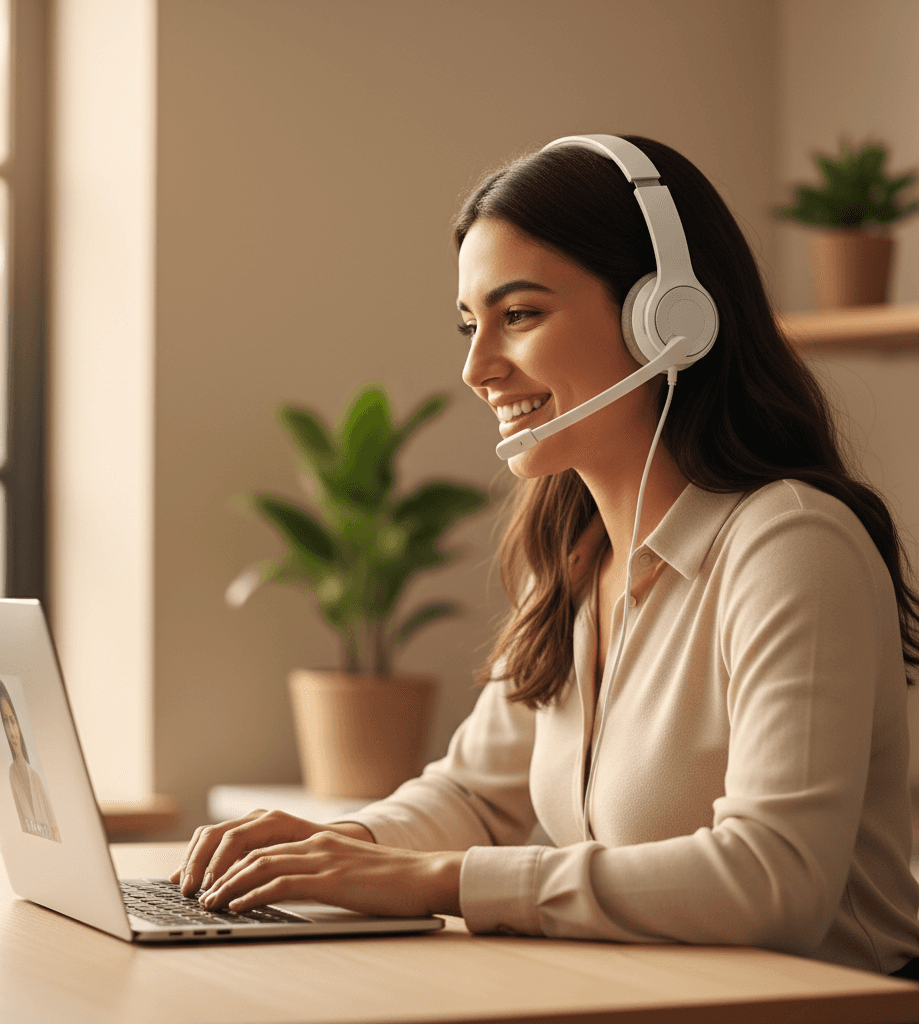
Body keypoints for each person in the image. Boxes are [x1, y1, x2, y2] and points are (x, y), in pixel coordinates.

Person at [171, 135, 919, 975]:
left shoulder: (789, 545)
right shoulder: (573, 554)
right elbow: (475, 796)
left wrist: (436, 882)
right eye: (468, 323)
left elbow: (776, 880)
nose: (476, 367)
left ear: (669, 317)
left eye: (518, 314)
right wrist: (337, 846)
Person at [0, 679, 60, 842]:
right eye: (5, 721)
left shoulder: (36, 778)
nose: (12, 731)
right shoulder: (10, 776)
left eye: (13, 721)